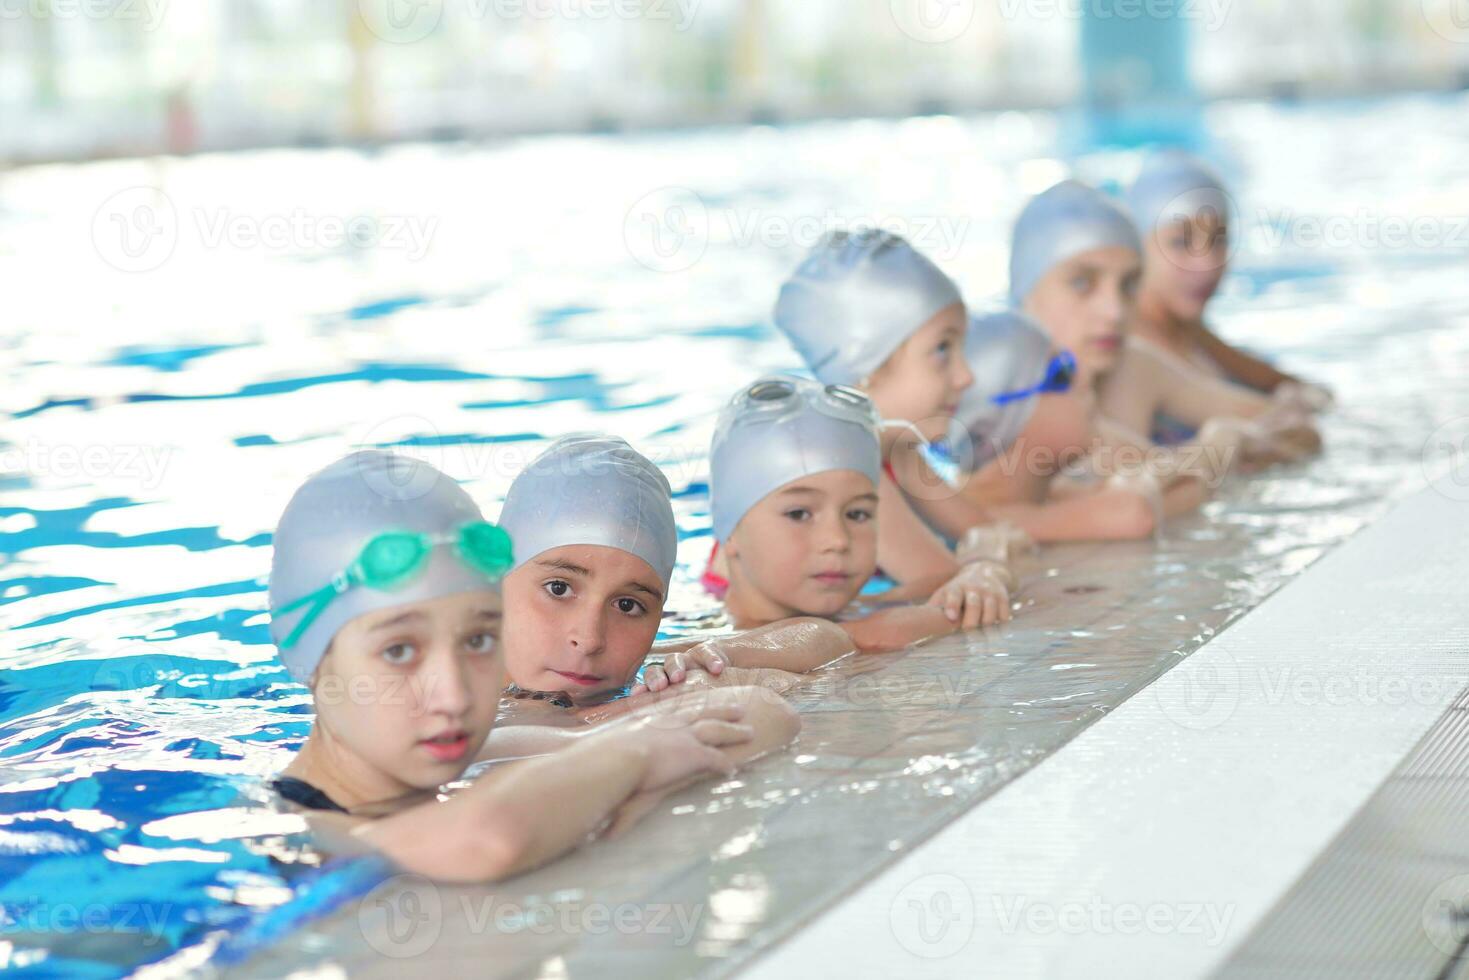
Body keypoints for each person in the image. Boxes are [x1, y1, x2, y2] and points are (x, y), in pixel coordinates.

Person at [265, 450, 799, 881]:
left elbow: (761, 712)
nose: (453, 695)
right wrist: (635, 758)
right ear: (307, 655)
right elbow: (488, 839)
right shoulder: (278, 831)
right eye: (399, 651)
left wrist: (629, 744)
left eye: (477, 639)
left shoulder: (488, 750)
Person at [1127, 149, 1333, 409]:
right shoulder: (1126, 345)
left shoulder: (1188, 332)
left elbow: (1287, 385)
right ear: (1134, 247)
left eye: (1219, 239)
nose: (1208, 263)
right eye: (1181, 242)